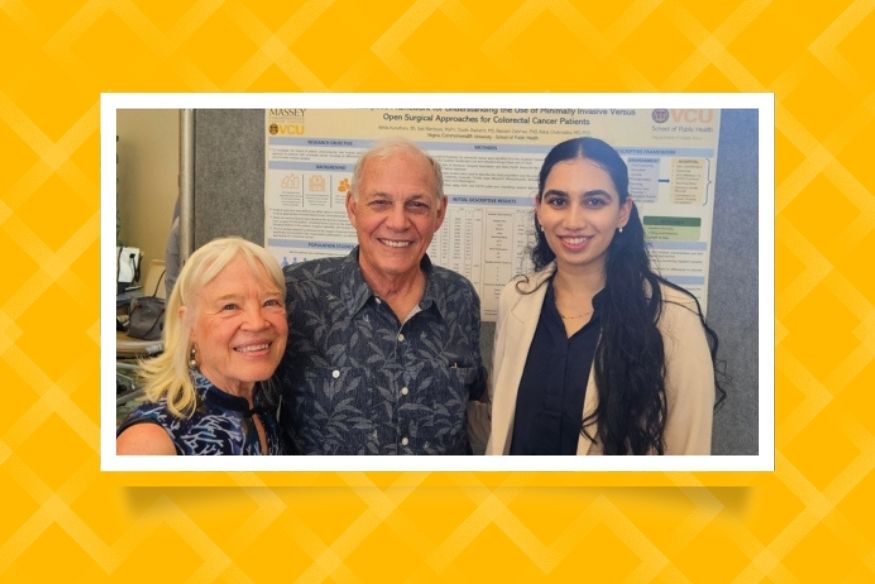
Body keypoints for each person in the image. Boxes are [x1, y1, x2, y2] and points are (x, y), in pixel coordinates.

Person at [486, 137, 723, 455]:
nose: (573, 221)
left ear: (623, 211)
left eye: (594, 202)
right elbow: (500, 423)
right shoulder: (516, 300)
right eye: (558, 201)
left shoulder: (673, 317)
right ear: (539, 209)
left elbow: (689, 454)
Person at [279, 139, 486, 455]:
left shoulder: (460, 298)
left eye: (416, 205)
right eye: (380, 203)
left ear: (440, 213)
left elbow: (473, 411)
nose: (399, 222)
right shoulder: (298, 294)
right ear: (353, 208)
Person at [117, 237, 288, 455]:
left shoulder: (263, 405)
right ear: (189, 326)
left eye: (270, 302)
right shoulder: (150, 442)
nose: (256, 323)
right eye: (229, 306)